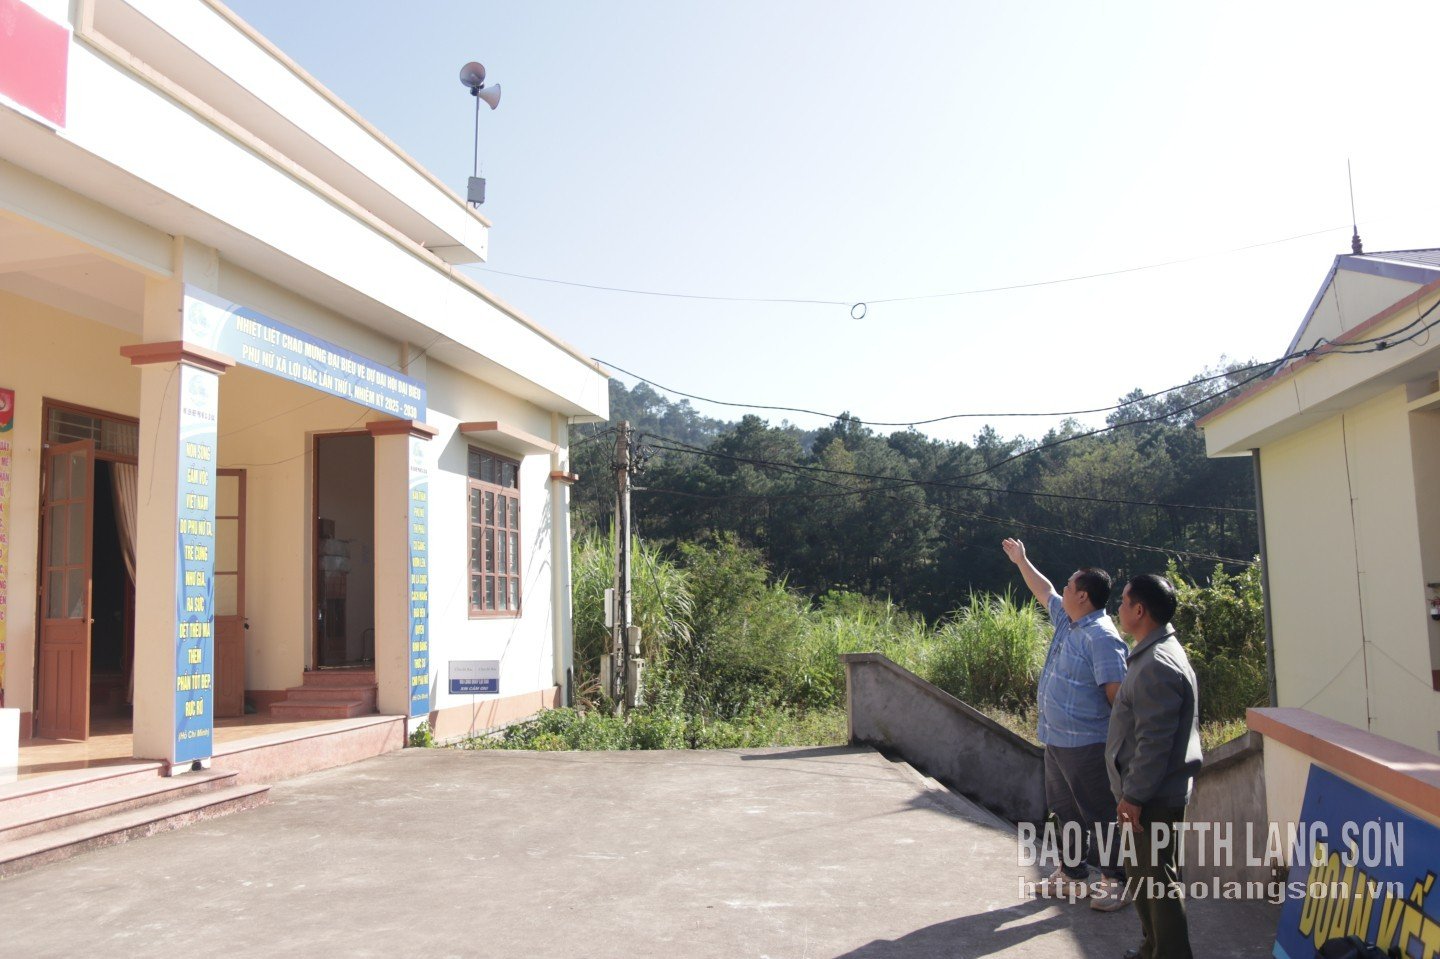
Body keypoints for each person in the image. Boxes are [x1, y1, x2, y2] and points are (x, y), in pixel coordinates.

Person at [1001, 538, 1129, 910]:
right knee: (1065, 810)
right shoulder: (1068, 621)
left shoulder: (1102, 638)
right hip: (1056, 741)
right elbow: (1044, 590)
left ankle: (1114, 881)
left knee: (1100, 814)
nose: (1064, 589)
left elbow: (1117, 699)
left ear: (1085, 597)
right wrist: (1021, 560)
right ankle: (1073, 875)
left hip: (1088, 744)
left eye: (1071, 585)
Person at [1108, 573, 1202, 959]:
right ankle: (1152, 948)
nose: (1119, 608)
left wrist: (1133, 797)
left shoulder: (1156, 665)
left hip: (1151, 798)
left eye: (1124, 601)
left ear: (1140, 610)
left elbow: (1154, 744)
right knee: (1143, 878)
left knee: (1158, 882)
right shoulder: (1152, 653)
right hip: (1145, 794)